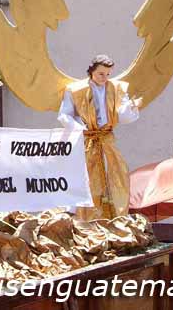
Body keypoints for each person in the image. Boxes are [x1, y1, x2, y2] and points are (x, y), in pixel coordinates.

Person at [58, 54, 142, 219]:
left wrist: (131, 107)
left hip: (106, 139)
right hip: (87, 139)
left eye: (108, 74)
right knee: (85, 175)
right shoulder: (75, 90)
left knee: (116, 172)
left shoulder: (116, 88)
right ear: (91, 72)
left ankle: (113, 214)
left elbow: (122, 114)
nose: (105, 78)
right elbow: (64, 115)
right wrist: (80, 128)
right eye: (101, 74)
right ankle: (81, 215)